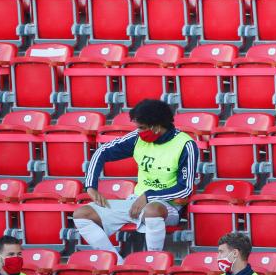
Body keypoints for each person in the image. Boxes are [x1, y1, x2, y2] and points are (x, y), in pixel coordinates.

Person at [73, 99, 198, 262]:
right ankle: (118, 263)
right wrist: (91, 186)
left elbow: (185, 189)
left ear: (156, 126)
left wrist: (148, 196)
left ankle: (154, 263)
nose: (138, 131)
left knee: (152, 209)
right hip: (136, 202)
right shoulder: (137, 138)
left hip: (169, 206)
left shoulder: (186, 144)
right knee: (82, 214)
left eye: (141, 127)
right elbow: (101, 152)